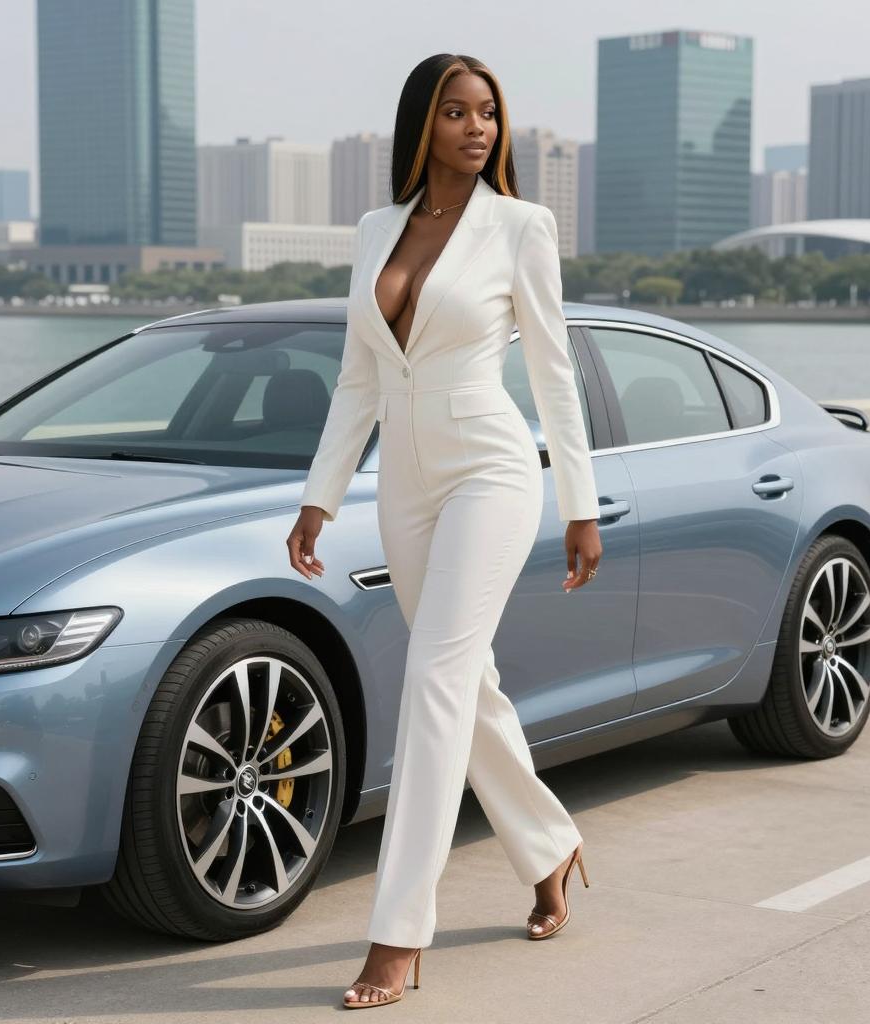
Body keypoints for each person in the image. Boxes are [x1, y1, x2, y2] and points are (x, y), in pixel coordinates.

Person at [285, 52, 602, 1009]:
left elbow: (553, 371)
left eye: (489, 114)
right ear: (422, 123)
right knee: (467, 687)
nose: (478, 129)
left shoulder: (521, 227)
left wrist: (580, 504)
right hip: (405, 484)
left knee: (431, 684)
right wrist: (320, 496)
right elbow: (358, 376)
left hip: (491, 470)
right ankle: (551, 846)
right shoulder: (378, 229)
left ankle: (396, 937)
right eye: (458, 113)